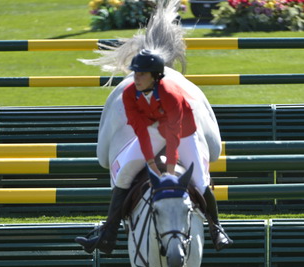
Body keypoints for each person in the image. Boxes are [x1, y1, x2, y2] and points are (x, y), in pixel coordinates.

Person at [76, 49, 233, 254]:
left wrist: (168, 171)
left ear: (155, 76)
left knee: (200, 181)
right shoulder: (130, 93)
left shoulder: (170, 94)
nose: (136, 77)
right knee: (123, 175)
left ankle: (216, 228)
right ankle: (108, 234)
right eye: (135, 73)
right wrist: (150, 163)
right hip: (152, 131)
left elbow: (174, 136)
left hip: (184, 133)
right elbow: (140, 130)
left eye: (141, 74)